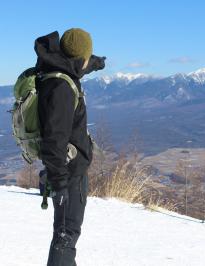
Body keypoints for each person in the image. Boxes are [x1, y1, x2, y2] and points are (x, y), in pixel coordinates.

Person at [34, 28, 105, 266]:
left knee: (66, 235)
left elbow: (76, 64)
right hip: (68, 175)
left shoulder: (56, 69)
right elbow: (54, 141)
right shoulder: (62, 89)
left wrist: (95, 63)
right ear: (79, 57)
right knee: (65, 237)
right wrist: (61, 184)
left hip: (69, 172)